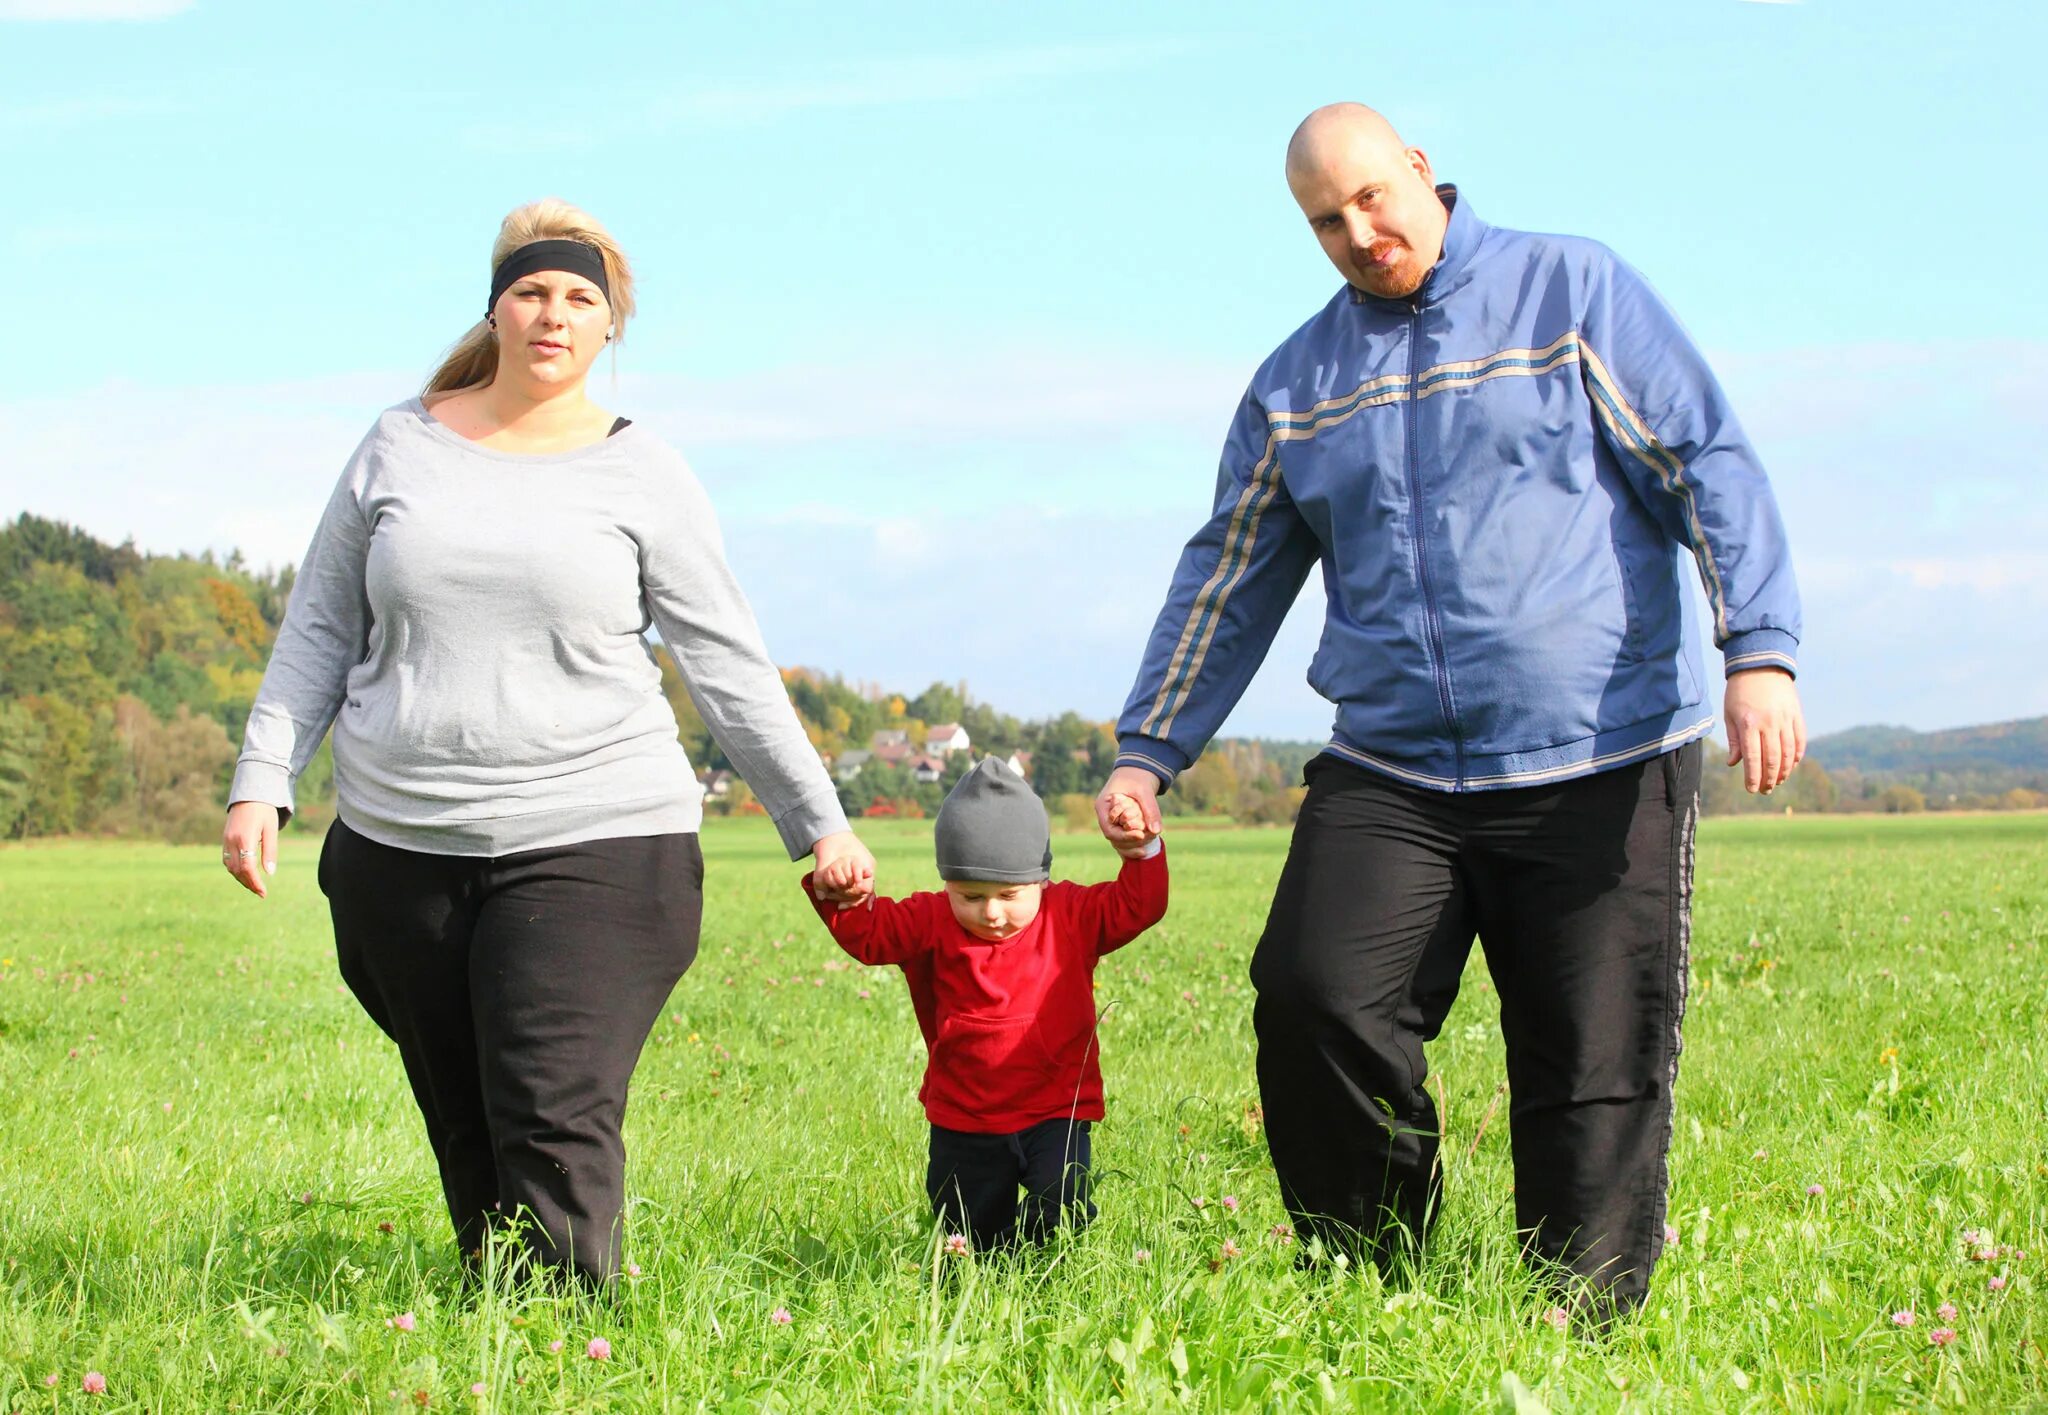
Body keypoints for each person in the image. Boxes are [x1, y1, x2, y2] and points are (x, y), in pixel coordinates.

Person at [1095, 105, 1805, 1318]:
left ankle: (1576, 1319)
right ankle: (1376, 1279)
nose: (1358, 233)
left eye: (1372, 198)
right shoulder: (1296, 383)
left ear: (1420, 171)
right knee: (1316, 993)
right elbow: (1230, 571)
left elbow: (1703, 458)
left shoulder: (1568, 292)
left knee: (1587, 1056)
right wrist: (1148, 748)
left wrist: (1760, 649)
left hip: (1600, 748)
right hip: (1393, 766)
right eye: (1325, 219)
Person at [221, 198, 875, 1287]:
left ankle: (575, 1350)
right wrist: (262, 781)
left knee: (549, 1103)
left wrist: (818, 820)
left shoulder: (642, 471)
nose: (553, 314)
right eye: (532, 291)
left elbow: (725, 662)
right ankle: (501, 1325)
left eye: (581, 298)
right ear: (496, 308)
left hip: (599, 834)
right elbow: (322, 626)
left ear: (609, 327)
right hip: (398, 845)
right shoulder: (399, 443)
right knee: (464, 1105)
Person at [804, 759, 1167, 1250]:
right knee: (970, 1235)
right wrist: (847, 897)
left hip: (1056, 1106)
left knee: (1063, 1206)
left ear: (1040, 880)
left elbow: (1138, 907)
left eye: (1009, 895)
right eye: (970, 895)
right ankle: (980, 1286)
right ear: (948, 882)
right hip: (965, 1116)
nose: (991, 912)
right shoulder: (931, 919)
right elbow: (872, 938)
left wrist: (1141, 850)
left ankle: (1041, 1279)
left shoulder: (1071, 915)